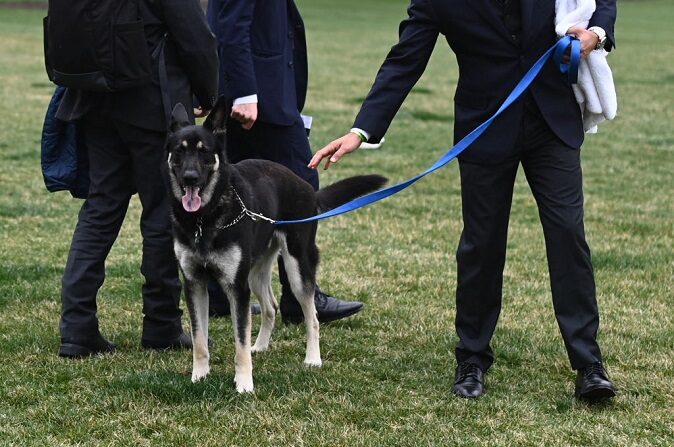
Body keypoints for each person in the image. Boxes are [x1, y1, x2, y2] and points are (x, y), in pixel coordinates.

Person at [310, 0, 617, 400]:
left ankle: (588, 363)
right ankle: (471, 358)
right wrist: (362, 130)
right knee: (481, 243)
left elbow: (603, 2)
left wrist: (597, 34)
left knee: (567, 235)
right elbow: (406, 59)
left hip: (552, 123)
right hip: (485, 126)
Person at [55, 0, 219, 358]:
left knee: (100, 209)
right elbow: (196, 37)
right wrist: (208, 93)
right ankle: (161, 324)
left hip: (95, 99)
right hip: (152, 102)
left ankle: (77, 327)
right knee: (162, 214)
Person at [205, 0, 364, 324]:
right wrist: (246, 92)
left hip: (257, 89)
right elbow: (231, 23)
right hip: (258, 96)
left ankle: (221, 292)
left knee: (231, 188)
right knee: (302, 186)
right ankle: (299, 296)